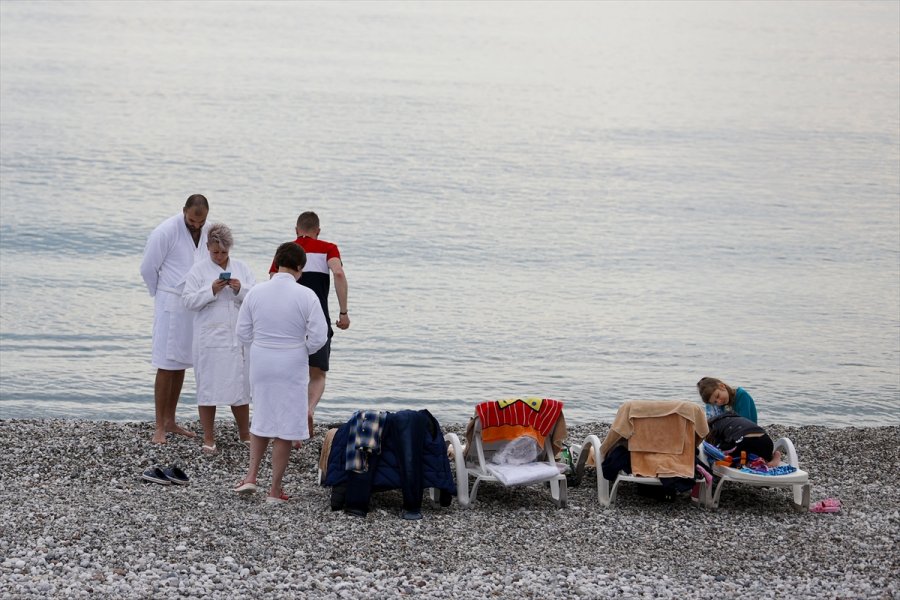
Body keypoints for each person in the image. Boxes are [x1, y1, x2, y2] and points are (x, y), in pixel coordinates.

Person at [235, 242, 328, 503]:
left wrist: (261, 344)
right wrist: (301, 348)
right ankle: (274, 491)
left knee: (263, 415)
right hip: (291, 359)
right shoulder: (306, 295)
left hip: (262, 357)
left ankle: (251, 476)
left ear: (276, 263)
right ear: (300, 268)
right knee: (285, 426)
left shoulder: (256, 293)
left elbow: (242, 332)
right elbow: (319, 336)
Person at [270, 211, 349, 442]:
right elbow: (339, 273)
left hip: (288, 322)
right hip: (319, 320)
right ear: (318, 231)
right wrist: (343, 312)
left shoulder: (286, 250)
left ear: (296, 230)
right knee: (317, 373)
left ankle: (288, 421)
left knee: (290, 374)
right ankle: (309, 409)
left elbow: (273, 281)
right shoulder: (329, 248)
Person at [140, 194, 211, 444]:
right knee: (166, 363)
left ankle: (171, 420)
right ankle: (159, 425)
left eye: (201, 222)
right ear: (184, 211)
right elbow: (148, 267)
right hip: (170, 300)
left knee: (181, 362)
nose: (196, 225)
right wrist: (160, 294)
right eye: (192, 220)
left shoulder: (207, 230)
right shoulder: (165, 231)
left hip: (193, 302)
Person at [182, 223, 256, 452]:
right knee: (208, 387)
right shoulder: (198, 270)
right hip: (209, 339)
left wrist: (239, 289)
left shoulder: (241, 268)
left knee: (240, 386)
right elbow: (188, 301)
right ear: (207, 248)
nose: (220, 256)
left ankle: (244, 433)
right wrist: (211, 290)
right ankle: (209, 437)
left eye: (224, 252)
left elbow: (255, 297)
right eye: (215, 252)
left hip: (235, 338)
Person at [705, 413, 782, 468]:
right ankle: (771, 457)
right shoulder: (733, 418)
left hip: (745, 441)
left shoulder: (714, 427)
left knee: (724, 452)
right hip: (766, 442)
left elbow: (717, 447)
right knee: (749, 451)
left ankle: (751, 462)